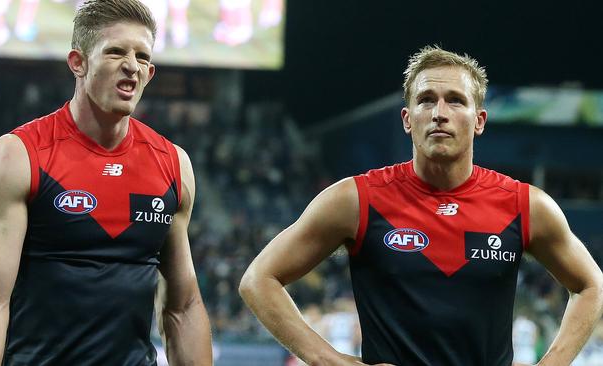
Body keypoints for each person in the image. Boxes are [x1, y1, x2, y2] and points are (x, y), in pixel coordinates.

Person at [239, 45, 603, 366]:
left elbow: (592, 286)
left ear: (479, 121)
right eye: (426, 99)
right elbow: (258, 280)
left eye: (455, 100)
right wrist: (331, 361)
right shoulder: (355, 199)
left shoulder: (526, 205)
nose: (439, 112)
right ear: (407, 118)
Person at [0, 1, 212, 365]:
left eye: (142, 57)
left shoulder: (173, 164)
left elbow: (183, 306)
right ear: (78, 62)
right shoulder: (20, 156)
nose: (131, 66)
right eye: (115, 52)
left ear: (150, 72)